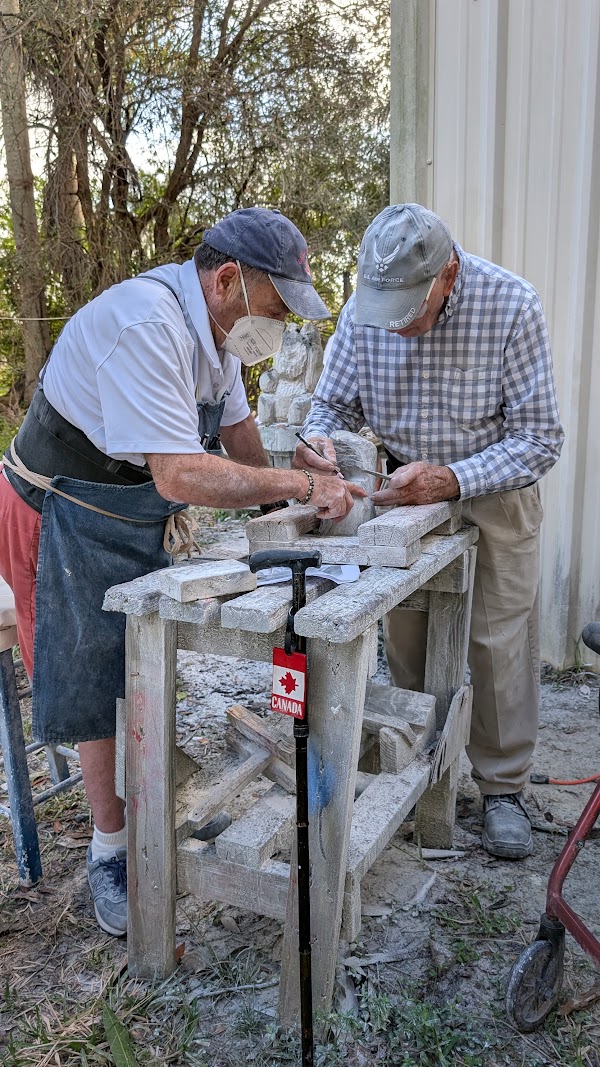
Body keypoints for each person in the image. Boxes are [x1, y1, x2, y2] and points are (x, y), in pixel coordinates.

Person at [0, 207, 363, 935]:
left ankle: (150, 794)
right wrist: (297, 491)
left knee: (137, 660)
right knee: (94, 679)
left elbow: (237, 438)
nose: (281, 327)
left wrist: (295, 472)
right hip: (59, 510)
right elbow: (178, 473)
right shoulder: (148, 325)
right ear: (228, 279)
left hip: (123, 505)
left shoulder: (221, 335)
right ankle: (108, 849)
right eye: (277, 308)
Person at [295, 202, 564, 861]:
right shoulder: (366, 311)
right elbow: (330, 404)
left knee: (498, 640)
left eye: (411, 310)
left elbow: (540, 439)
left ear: (449, 274)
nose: (400, 327)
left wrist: (450, 478)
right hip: (403, 496)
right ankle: (421, 768)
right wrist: (323, 443)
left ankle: (501, 786)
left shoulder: (511, 305)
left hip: (493, 489)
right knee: (408, 631)